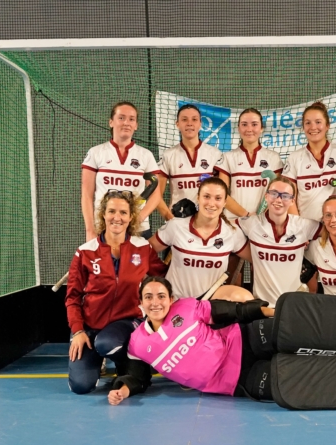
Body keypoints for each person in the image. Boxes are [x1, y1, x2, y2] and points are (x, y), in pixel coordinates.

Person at [107, 276, 336, 409]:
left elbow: (228, 310)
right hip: (236, 381)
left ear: (170, 298)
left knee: (294, 328)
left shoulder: (186, 308)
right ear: (141, 305)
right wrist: (123, 388)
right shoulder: (138, 344)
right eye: (149, 297)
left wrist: (271, 312)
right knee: (293, 381)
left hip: (243, 340)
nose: (156, 301)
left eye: (161, 295)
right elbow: (137, 375)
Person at [65, 190, 167, 394]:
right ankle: (100, 361)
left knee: (107, 343)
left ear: (131, 217)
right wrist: (78, 331)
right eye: (111, 211)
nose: (117, 217)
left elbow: (163, 276)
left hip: (127, 322)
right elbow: (73, 297)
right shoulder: (85, 251)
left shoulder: (143, 248)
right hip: (90, 327)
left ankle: (130, 365)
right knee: (81, 386)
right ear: (103, 214)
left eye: (123, 212)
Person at [148, 177, 253, 301]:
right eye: (206, 196)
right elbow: (144, 251)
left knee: (245, 298)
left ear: (225, 202)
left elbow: (258, 259)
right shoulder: (176, 226)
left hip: (209, 308)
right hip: (176, 304)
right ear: (198, 198)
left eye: (218, 198)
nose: (211, 203)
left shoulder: (232, 232)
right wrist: (159, 275)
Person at [236, 176, 322, 306]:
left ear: (292, 201)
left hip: (293, 306)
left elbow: (335, 231)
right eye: (274, 193)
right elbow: (223, 227)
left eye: (285, 196)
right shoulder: (252, 224)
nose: (278, 199)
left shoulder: (303, 226)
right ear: (266, 196)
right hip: (262, 307)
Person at [82, 101, 162, 241]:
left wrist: (138, 218)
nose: (126, 123)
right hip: (104, 227)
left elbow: (156, 194)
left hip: (138, 229)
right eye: (121, 118)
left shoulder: (146, 155)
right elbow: (87, 195)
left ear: (136, 125)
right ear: (111, 122)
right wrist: (90, 229)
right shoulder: (96, 153)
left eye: (131, 119)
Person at [282, 101, 336, 222]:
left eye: (318, 122)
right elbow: (289, 197)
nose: (313, 127)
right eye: (308, 123)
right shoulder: (294, 158)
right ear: (303, 127)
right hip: (305, 230)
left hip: (335, 227)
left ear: (327, 125)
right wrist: (298, 226)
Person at [156, 104, 223, 221]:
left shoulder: (215, 154)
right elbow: (156, 195)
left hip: (207, 222)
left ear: (200, 124)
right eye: (184, 119)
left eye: (194, 119)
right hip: (178, 221)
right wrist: (169, 217)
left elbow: (222, 193)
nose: (189, 123)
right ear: (177, 124)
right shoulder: (168, 155)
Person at [215, 108, 283, 219]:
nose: (249, 129)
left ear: (261, 128)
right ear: (238, 128)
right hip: (234, 223)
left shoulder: (273, 158)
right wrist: (246, 215)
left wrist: (261, 217)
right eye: (244, 124)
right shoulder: (227, 157)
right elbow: (221, 194)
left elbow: (278, 194)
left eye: (254, 124)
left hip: (265, 222)